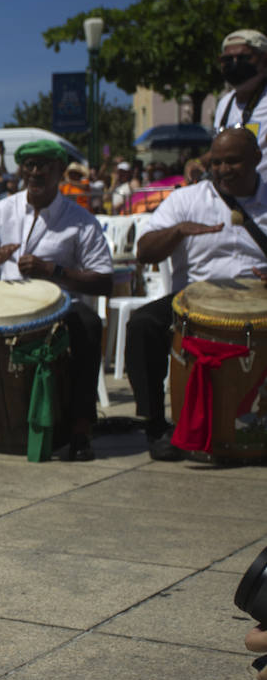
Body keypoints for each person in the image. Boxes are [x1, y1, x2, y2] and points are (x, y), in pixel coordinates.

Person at [0, 139, 113, 461]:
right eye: (29, 165)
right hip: (5, 302)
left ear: (59, 170)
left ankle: (81, 427)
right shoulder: (1, 211)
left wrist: (53, 270)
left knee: (88, 322)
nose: (35, 172)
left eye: (44, 165)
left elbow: (103, 280)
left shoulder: (80, 219)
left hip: (60, 306)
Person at [123, 127, 267, 461]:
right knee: (143, 324)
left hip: (259, 299)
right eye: (216, 162)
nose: (222, 170)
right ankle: (156, 424)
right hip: (194, 299)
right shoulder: (187, 199)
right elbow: (144, 251)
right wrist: (176, 232)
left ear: (257, 158)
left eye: (232, 161)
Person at [212, 29, 267, 177]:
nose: (235, 64)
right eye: (227, 59)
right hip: (236, 198)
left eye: (243, 58)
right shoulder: (225, 103)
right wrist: (198, 163)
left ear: (264, 59)